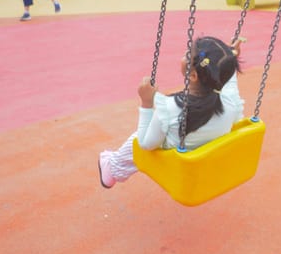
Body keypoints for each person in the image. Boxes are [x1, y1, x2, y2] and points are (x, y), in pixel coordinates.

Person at [98, 36, 245, 189]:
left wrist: (146, 103)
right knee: (159, 131)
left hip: (173, 158)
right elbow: (229, 80)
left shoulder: (170, 108)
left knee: (137, 138)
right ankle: (114, 167)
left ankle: (113, 169)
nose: (184, 54)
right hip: (205, 150)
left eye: (188, 54)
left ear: (193, 76)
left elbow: (145, 144)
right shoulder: (231, 102)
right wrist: (228, 59)